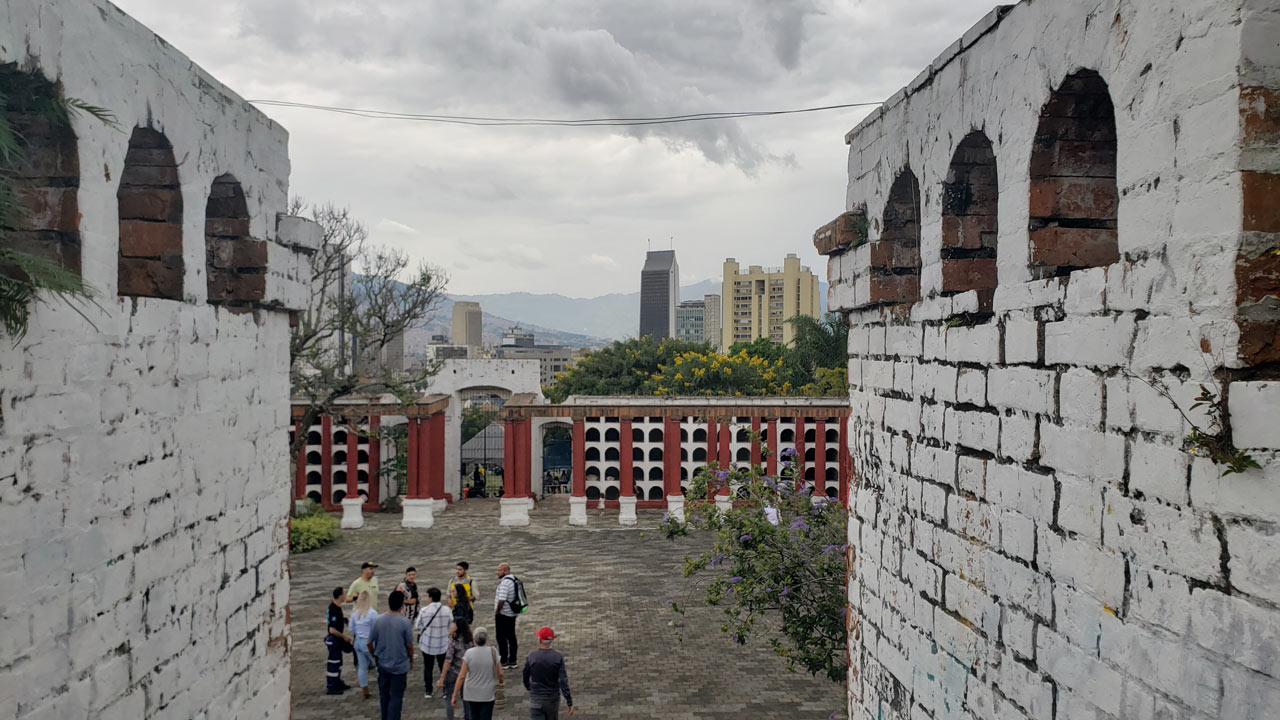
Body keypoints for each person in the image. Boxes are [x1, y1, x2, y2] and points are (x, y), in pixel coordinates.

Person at [368, 590, 415, 720]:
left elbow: (368, 643)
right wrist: (411, 659)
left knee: (384, 696)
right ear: (401, 605)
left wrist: (374, 655)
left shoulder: (378, 620)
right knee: (396, 696)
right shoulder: (404, 622)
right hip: (399, 665)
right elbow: (409, 645)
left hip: (382, 663)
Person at [452, 626, 503, 720]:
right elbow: (500, 673)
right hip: (487, 693)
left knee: (474, 716)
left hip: (471, 693)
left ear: (474, 639)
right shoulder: (493, 651)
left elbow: (461, 676)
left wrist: (454, 694)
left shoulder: (469, 653)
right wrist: (500, 681)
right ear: (486, 638)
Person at [523, 627, 574, 718]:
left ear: (539, 640)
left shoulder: (532, 656)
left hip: (536, 697)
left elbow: (525, 675)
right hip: (552, 698)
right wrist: (569, 701)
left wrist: (528, 686)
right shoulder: (558, 657)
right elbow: (563, 681)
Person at [414, 587, 454, 698]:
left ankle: (428, 691)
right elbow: (451, 625)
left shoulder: (424, 610)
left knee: (428, 667)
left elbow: (417, 625)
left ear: (430, 598)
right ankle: (445, 690)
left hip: (428, 644)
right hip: (442, 643)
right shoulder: (447, 610)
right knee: (443, 667)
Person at [438, 619, 474, 720]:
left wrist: (442, 676)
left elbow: (448, 660)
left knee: (449, 696)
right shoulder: (470, 640)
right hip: (466, 673)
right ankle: (468, 716)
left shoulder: (453, 641)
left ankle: (450, 717)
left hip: (453, 672)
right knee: (466, 697)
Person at [350, 590, 380, 700]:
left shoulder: (355, 613)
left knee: (362, 667)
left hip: (358, 641)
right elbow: (377, 629)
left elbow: (351, 628)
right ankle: (382, 687)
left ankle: (364, 690)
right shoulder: (372, 613)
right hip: (369, 642)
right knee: (378, 665)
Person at [325, 587, 352, 695]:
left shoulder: (337, 607)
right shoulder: (333, 609)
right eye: (345, 594)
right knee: (334, 663)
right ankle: (331, 686)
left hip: (337, 640)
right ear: (340, 596)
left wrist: (344, 619)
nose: (346, 595)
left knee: (339, 662)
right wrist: (344, 636)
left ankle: (337, 681)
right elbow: (332, 630)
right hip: (334, 640)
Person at [493, 562, 519, 668]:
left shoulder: (505, 583)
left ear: (506, 571)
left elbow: (502, 599)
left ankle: (503, 660)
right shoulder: (514, 579)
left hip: (503, 614)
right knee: (511, 636)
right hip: (512, 613)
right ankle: (513, 660)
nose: (497, 572)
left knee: (501, 637)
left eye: (499, 570)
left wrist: (497, 611)